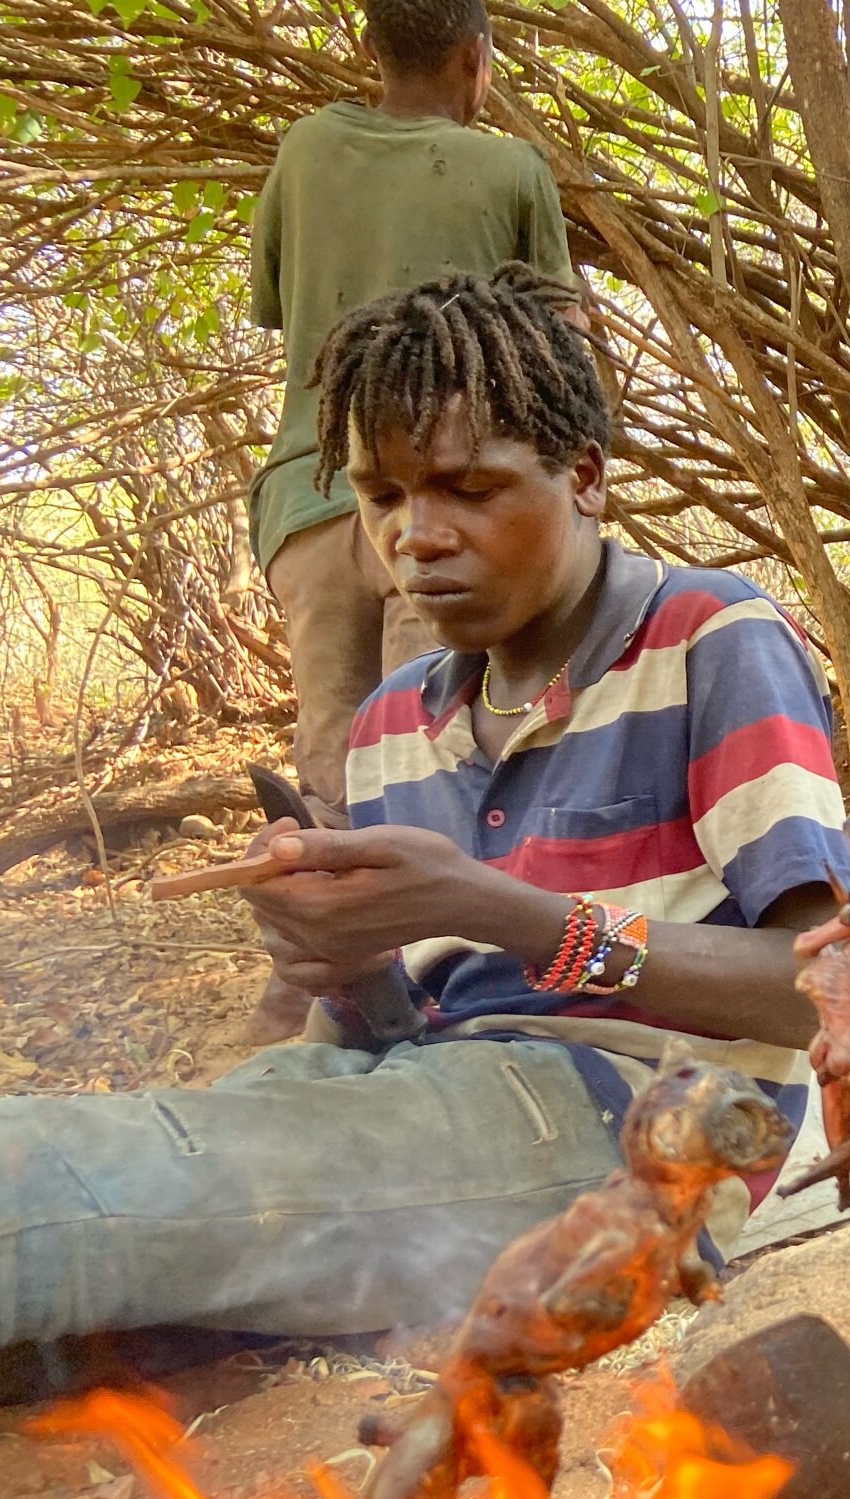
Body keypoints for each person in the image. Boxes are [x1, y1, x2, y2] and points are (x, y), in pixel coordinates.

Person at [0, 266, 850, 1364]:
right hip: (437, 1097)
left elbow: (823, 995)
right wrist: (333, 957)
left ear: (586, 478)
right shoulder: (393, 721)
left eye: (468, 488)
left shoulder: (711, 637)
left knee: (44, 1190)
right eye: (381, 497)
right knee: (91, 1244)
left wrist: (513, 916)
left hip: (645, 1124)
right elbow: (389, 1040)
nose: (416, 537)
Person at [248, 0, 577, 1034]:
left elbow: (270, 301)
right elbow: (560, 354)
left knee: (338, 776)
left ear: (370, 50)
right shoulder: (509, 171)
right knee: (436, 762)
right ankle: (454, 1010)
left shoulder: (305, 150)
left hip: (311, 495)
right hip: (440, 506)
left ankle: (310, 1017)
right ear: (477, 61)